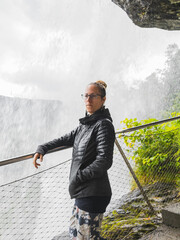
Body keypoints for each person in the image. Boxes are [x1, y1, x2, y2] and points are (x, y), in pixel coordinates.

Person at [33, 80, 115, 240]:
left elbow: (104, 160)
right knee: (77, 235)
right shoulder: (85, 125)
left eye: (93, 96)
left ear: (103, 99)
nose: (88, 100)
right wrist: (42, 148)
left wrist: (79, 177)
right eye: (85, 96)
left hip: (93, 193)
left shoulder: (103, 125)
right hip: (83, 192)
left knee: (86, 237)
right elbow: (64, 139)